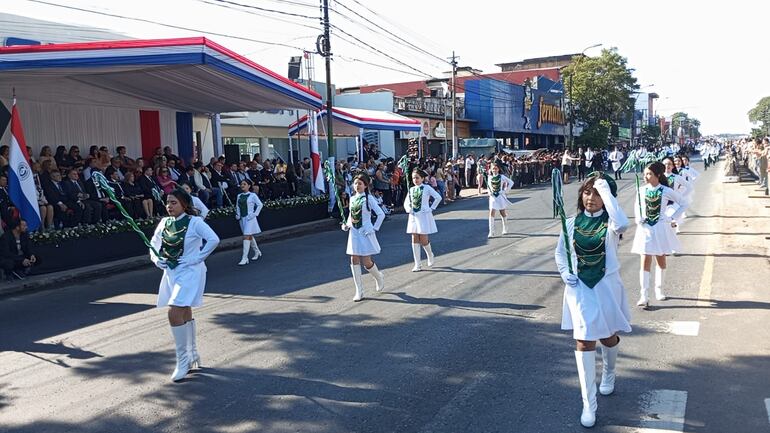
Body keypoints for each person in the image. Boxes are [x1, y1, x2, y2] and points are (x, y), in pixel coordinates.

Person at [554, 173, 630, 428]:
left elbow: (623, 222)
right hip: (581, 290)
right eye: (587, 192)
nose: (591, 198)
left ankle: (609, 373)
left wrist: (606, 192)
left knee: (607, 337)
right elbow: (561, 254)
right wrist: (565, 272)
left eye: (596, 194)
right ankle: (589, 403)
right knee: (584, 340)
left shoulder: (612, 225)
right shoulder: (571, 223)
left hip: (606, 288)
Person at [149, 188, 220, 382]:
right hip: (171, 272)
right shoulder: (164, 222)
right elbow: (154, 244)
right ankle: (192, 352)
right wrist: (157, 259)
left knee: (174, 311)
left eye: (174, 203)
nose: (169, 206)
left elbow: (214, 239)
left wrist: (197, 258)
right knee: (185, 309)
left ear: (184, 205)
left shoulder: (195, 222)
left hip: (190, 272)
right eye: (168, 202)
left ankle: (182, 361)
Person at [631, 161, 688, 307]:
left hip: (660, 228)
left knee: (661, 259)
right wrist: (639, 219)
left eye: (649, 174)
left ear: (658, 175)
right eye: (644, 174)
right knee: (644, 260)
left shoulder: (665, 190)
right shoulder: (641, 190)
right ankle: (644, 294)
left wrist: (672, 217)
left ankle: (659, 289)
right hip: (645, 229)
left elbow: (683, 203)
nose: (646, 177)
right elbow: (637, 207)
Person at [341, 173, 385, 301]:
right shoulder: (353, 198)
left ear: (365, 185)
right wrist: (347, 225)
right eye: (355, 183)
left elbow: (380, 214)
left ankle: (378, 277)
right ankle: (359, 291)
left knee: (366, 262)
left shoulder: (369, 199)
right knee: (354, 259)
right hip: (354, 233)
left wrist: (373, 227)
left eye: (360, 183)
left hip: (365, 232)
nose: (357, 185)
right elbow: (352, 215)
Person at [404, 168, 442, 272]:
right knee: (414, 238)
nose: (415, 180)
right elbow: (406, 202)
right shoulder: (411, 190)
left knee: (423, 239)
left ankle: (430, 254)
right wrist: (409, 209)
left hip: (424, 216)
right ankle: (417, 264)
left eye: (417, 178)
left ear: (422, 178)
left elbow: (438, 197)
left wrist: (431, 208)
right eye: (413, 178)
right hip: (414, 216)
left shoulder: (427, 188)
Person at [234, 179, 263, 266]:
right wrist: (238, 214)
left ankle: (244, 258)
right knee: (249, 235)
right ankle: (257, 251)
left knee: (246, 236)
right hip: (242, 219)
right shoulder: (239, 196)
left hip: (250, 218)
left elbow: (260, 205)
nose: (242, 185)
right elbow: (237, 206)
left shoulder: (252, 195)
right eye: (241, 184)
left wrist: (254, 214)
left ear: (249, 186)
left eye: (244, 184)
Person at [487, 163, 514, 238]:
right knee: (491, 213)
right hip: (493, 198)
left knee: (502, 213)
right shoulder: (489, 177)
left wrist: (505, 191)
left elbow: (511, 182)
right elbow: (488, 187)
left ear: (498, 169)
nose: (494, 170)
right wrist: (489, 193)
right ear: (491, 170)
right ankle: (491, 231)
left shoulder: (501, 177)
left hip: (500, 197)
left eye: (496, 168)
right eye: (493, 169)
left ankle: (505, 228)